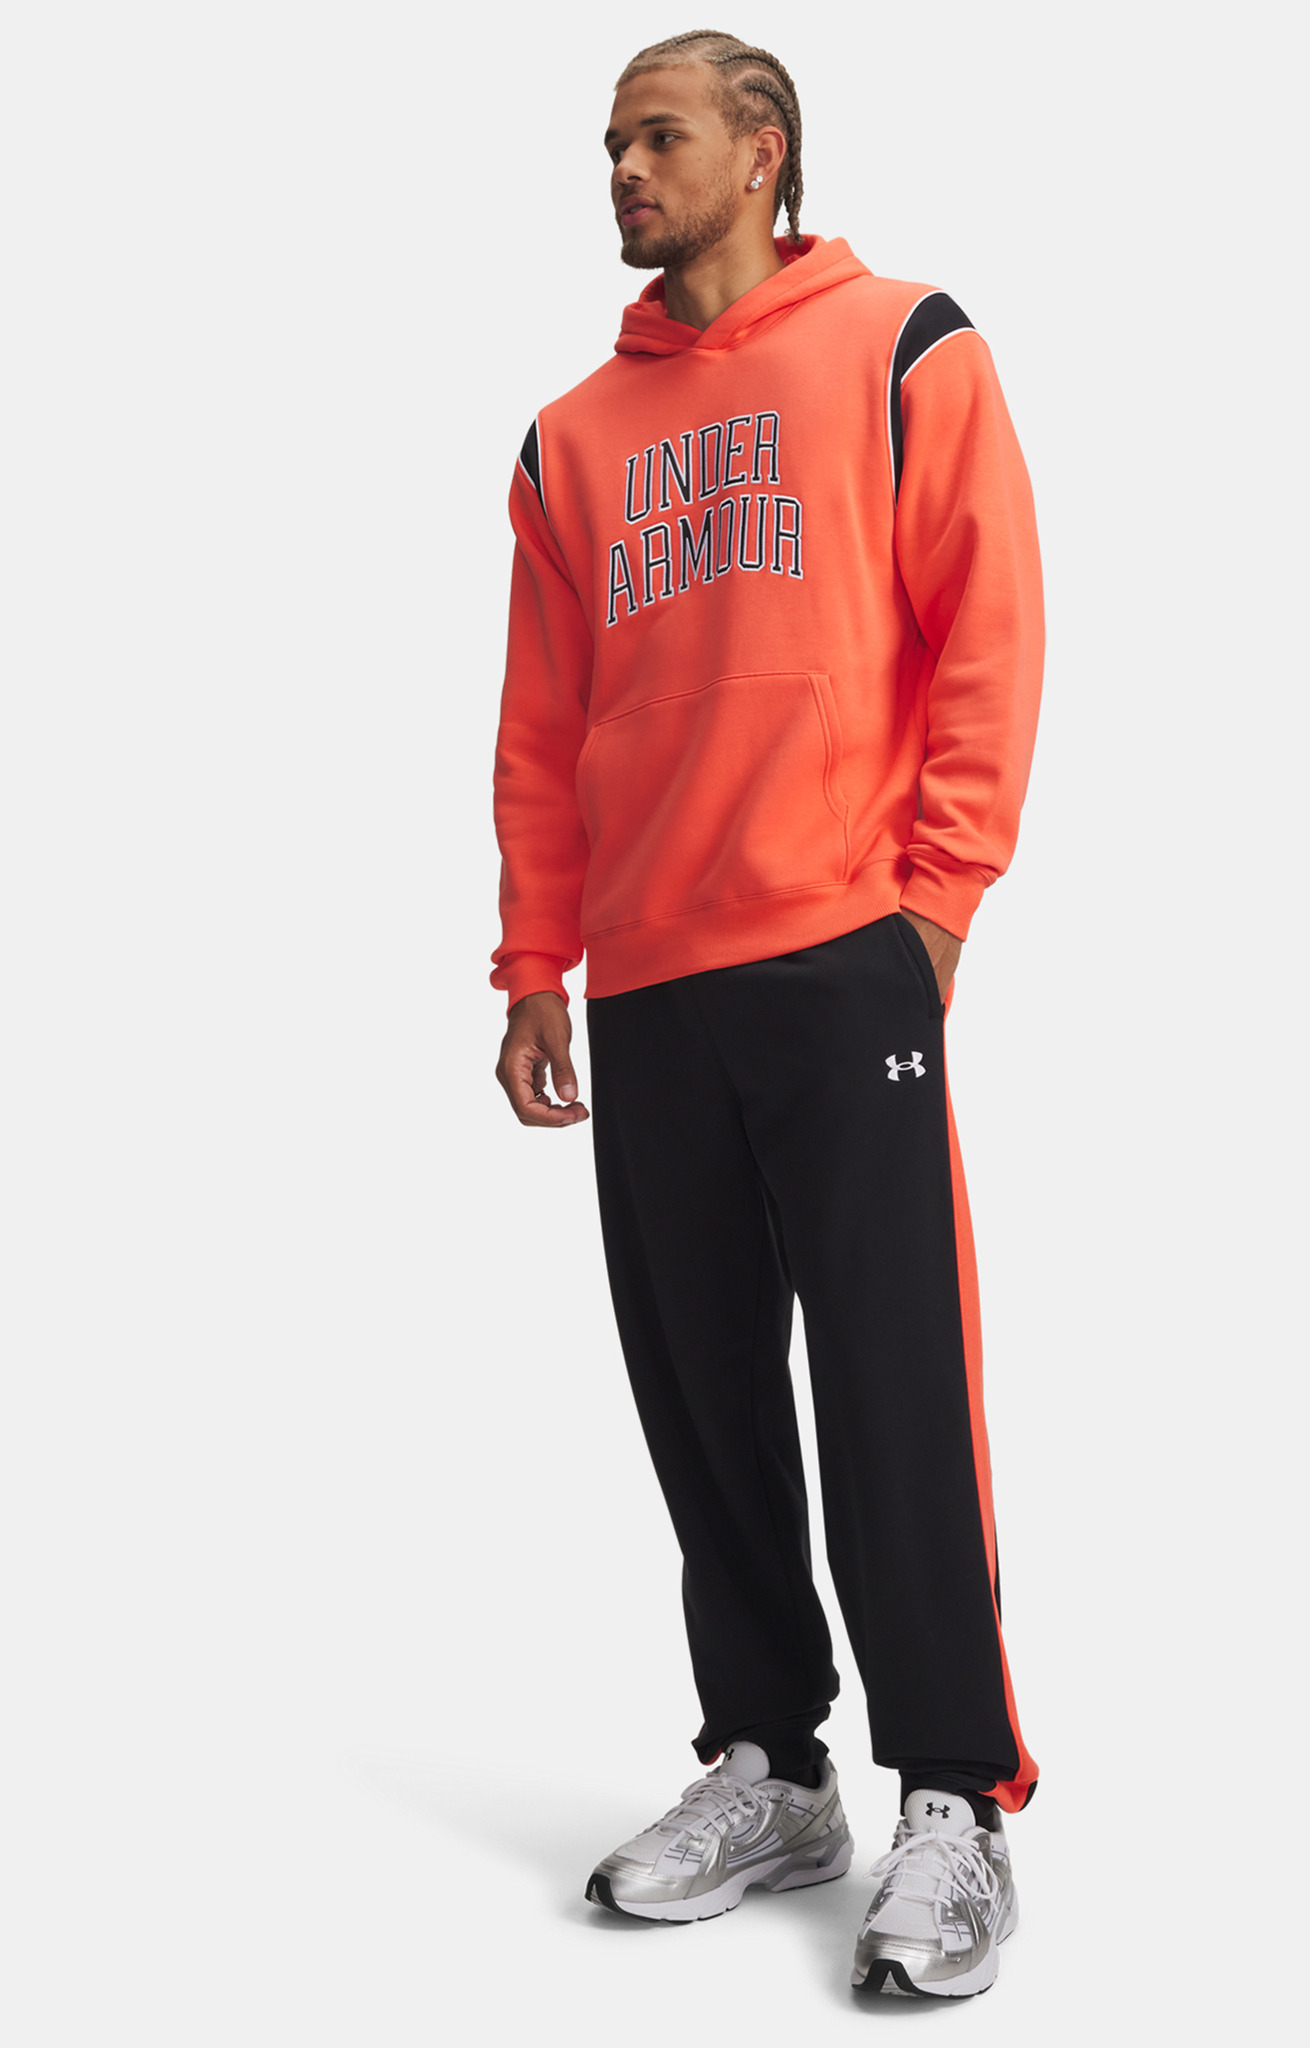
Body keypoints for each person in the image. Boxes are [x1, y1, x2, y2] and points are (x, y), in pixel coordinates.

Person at [491, 29, 1046, 2002]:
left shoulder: (904, 346)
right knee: (704, 1398)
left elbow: (987, 625)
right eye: (609, 143)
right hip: (650, 977)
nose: (624, 170)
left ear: (762, 148)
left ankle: (954, 1796)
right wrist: (535, 959)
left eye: (658, 135)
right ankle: (772, 1766)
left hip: (838, 951)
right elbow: (543, 724)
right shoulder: (572, 439)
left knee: (892, 1379)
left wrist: (937, 907)